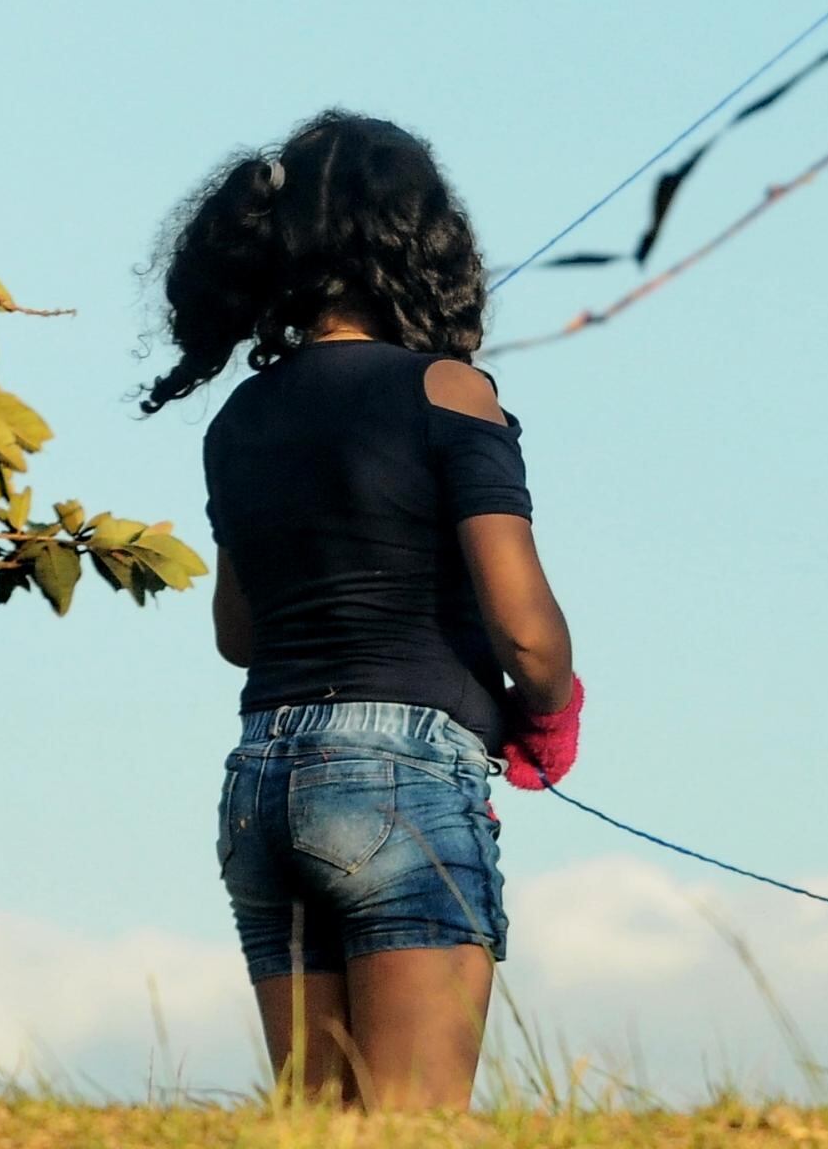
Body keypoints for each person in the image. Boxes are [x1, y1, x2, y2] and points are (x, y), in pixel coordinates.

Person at [145, 111, 580, 1110]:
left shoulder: (238, 416)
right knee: (412, 1128)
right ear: (429, 242)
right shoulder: (450, 388)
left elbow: (238, 634)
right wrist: (549, 714)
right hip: (403, 777)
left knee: (316, 1128)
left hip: (263, 782)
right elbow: (526, 629)